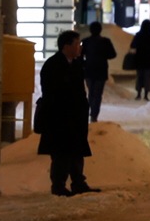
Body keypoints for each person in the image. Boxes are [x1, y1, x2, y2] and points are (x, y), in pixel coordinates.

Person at [36, 30, 97, 197]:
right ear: (66, 46)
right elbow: (52, 93)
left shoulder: (76, 64)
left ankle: (78, 182)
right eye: (77, 44)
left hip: (76, 117)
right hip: (59, 117)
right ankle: (58, 185)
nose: (80, 47)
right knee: (61, 153)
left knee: (77, 151)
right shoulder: (53, 65)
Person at [80, 21, 118, 123]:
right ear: (100, 30)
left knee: (90, 93)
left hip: (88, 70)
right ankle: (94, 115)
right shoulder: (106, 41)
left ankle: (89, 111)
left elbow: (79, 55)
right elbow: (113, 54)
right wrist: (103, 56)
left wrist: (84, 63)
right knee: (97, 94)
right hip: (101, 70)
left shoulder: (85, 41)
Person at [129, 20, 150, 100]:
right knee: (148, 77)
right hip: (149, 60)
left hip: (139, 59)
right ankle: (146, 95)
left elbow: (132, 45)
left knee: (140, 77)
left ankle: (138, 94)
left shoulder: (138, 35)